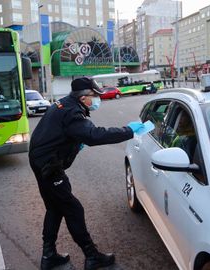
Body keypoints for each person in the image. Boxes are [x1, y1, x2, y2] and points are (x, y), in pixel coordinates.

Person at [29, 77, 145, 270]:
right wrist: (128, 131)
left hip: (41, 161)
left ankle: (49, 256)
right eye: (95, 96)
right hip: (48, 166)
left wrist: (74, 144)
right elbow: (94, 135)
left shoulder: (65, 105)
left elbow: (62, 133)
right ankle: (92, 256)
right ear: (83, 98)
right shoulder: (72, 112)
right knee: (73, 208)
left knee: (55, 208)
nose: (98, 99)